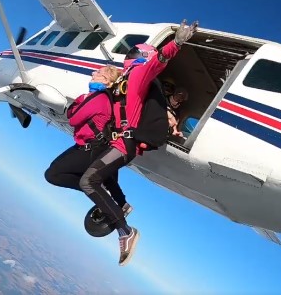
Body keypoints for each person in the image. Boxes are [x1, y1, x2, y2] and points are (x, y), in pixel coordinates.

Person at [78, 19, 198, 266]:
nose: (128, 57)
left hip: (124, 143)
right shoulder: (125, 80)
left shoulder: (139, 74)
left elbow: (157, 62)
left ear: (138, 56)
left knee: (88, 181)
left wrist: (176, 43)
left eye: (132, 53)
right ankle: (120, 206)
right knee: (95, 172)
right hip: (119, 141)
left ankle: (126, 232)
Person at [44, 65, 133, 216]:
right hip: (98, 146)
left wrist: (80, 102)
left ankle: (103, 194)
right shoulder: (104, 98)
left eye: (97, 72)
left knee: (53, 174)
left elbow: (73, 117)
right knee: (106, 176)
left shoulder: (98, 98)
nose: (93, 73)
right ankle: (121, 203)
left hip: (89, 148)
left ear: (105, 80)